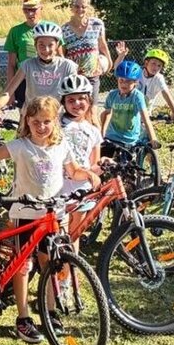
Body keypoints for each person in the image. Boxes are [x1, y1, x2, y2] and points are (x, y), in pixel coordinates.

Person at [0, 96, 99, 339]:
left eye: (46, 122)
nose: (41, 127)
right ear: (27, 122)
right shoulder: (20, 146)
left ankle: (50, 312)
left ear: (55, 122)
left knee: (50, 265)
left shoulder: (61, 145)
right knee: (22, 267)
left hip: (52, 216)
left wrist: (89, 174)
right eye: (36, 122)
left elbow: (72, 171)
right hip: (25, 215)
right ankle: (23, 317)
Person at [0, 22, 78, 122]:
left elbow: (76, 94)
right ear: (35, 45)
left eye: (50, 45)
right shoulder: (28, 65)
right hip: (31, 118)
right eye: (41, 45)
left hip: (55, 118)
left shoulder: (67, 66)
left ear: (57, 45)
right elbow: (8, 92)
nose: (46, 49)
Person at [58, 74, 103, 253]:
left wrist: (104, 165)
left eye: (81, 99)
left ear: (89, 100)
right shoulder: (57, 126)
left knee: (75, 233)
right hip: (59, 187)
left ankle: (69, 274)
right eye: (71, 100)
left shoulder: (93, 131)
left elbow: (95, 163)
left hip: (82, 188)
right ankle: (55, 272)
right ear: (63, 102)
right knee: (59, 232)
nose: (77, 104)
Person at [99, 60, 159, 157]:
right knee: (102, 165)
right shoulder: (112, 95)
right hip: (111, 137)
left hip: (129, 140)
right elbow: (105, 113)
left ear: (135, 82)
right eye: (121, 80)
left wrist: (153, 138)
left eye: (128, 81)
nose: (124, 84)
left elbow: (146, 119)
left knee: (125, 169)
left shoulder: (137, 96)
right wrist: (102, 133)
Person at [61, 0, 113, 105]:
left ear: (88, 8)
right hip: (74, 77)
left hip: (93, 73)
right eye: (77, 6)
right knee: (77, 109)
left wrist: (109, 61)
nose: (80, 9)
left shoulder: (97, 24)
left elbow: (102, 44)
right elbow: (62, 53)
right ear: (72, 7)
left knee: (92, 108)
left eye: (83, 7)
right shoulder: (64, 30)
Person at [112, 44, 174, 122]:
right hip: (127, 112)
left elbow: (166, 93)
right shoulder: (137, 72)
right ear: (146, 63)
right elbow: (118, 70)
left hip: (144, 116)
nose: (156, 67)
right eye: (153, 63)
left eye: (159, 66)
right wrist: (121, 56)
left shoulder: (159, 78)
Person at [5, 0, 44, 108]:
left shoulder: (50, 28)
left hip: (45, 79)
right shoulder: (16, 31)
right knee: (24, 117)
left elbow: (59, 56)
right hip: (23, 80)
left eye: (34, 9)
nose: (30, 13)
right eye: (26, 10)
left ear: (41, 8)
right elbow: (11, 64)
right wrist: (10, 92)